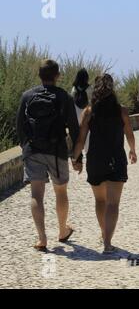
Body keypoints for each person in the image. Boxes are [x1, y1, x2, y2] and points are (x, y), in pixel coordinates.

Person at [16, 59, 80, 252]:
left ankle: (42, 238)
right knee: (60, 191)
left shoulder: (27, 96)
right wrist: (77, 157)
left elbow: (20, 126)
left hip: (33, 150)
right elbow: (75, 129)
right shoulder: (64, 97)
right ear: (57, 76)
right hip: (56, 151)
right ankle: (62, 231)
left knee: (37, 194)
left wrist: (26, 147)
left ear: (40, 75)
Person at [73, 74, 137, 254]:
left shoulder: (89, 111)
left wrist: (75, 158)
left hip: (95, 160)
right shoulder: (121, 110)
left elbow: (80, 139)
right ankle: (108, 243)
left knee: (100, 200)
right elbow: (130, 134)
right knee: (113, 204)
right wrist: (133, 150)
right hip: (115, 159)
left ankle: (104, 234)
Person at [71, 68, 93, 153]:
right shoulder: (89, 88)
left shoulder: (74, 88)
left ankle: (78, 152)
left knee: (79, 134)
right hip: (87, 112)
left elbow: (72, 100)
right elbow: (92, 100)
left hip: (77, 112)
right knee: (88, 133)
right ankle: (88, 151)